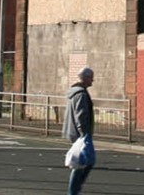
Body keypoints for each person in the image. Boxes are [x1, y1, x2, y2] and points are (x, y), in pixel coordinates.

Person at [62, 67, 94, 195]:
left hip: (75, 132)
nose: (93, 80)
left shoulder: (75, 92)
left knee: (84, 162)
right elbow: (80, 116)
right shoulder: (81, 94)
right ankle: (73, 191)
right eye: (91, 77)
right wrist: (84, 135)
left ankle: (75, 189)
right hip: (80, 134)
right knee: (83, 163)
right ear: (85, 78)